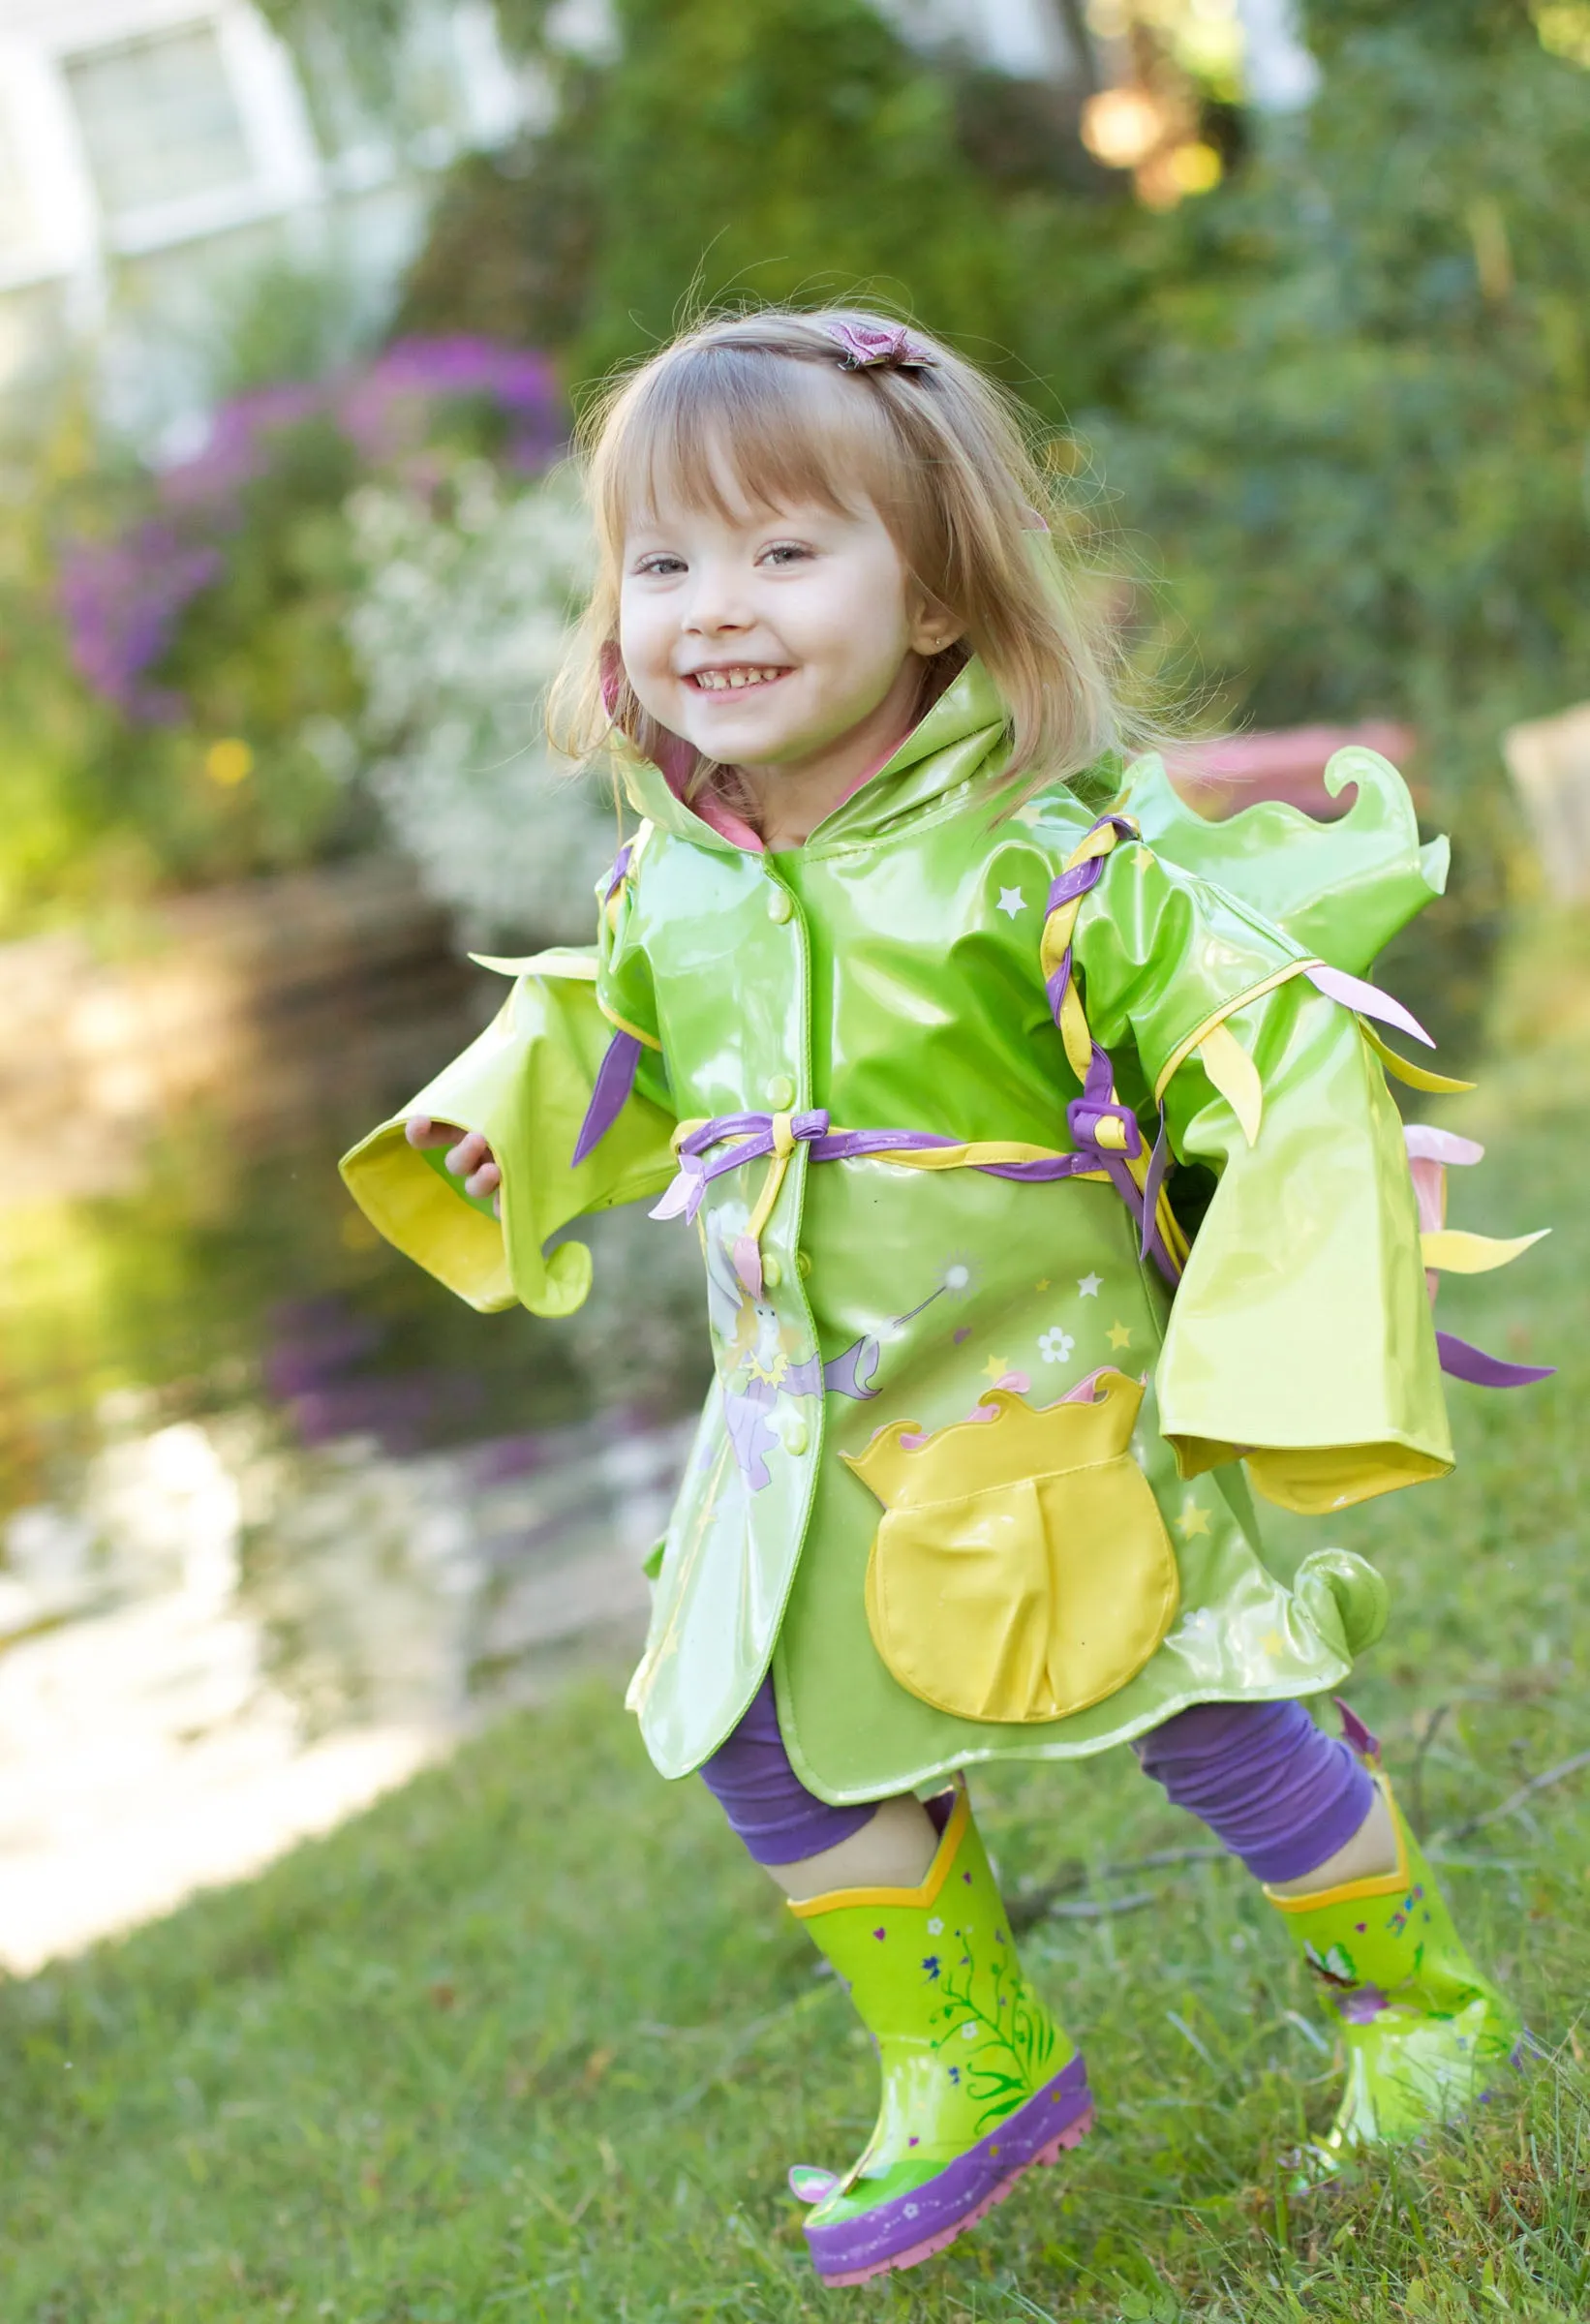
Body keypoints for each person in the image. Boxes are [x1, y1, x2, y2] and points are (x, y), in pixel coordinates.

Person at [341, 309, 1542, 2289]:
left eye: (781, 552)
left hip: (1046, 1400)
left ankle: (1416, 2006)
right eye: (661, 564)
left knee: (1205, 1699)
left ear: (932, 599)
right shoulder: (677, 879)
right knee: (741, 1722)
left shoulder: (1038, 871)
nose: (710, 610)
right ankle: (965, 2056)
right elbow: (609, 1022)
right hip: (798, 1422)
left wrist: (1304, 1158)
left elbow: (1237, 1009)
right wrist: (503, 1113)